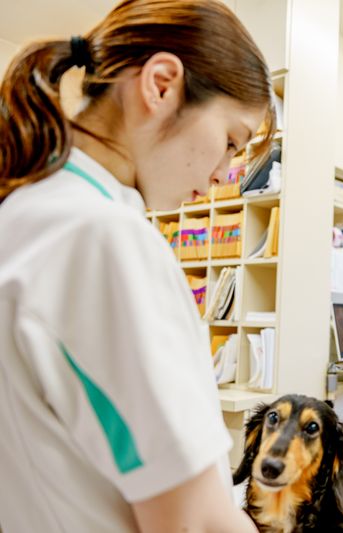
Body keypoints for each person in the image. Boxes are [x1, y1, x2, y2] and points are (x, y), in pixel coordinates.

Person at [0, 1, 275, 531]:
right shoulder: (100, 237)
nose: (226, 175)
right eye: (230, 141)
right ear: (161, 85)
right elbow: (192, 523)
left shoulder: (28, 212)